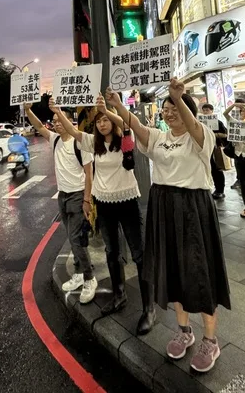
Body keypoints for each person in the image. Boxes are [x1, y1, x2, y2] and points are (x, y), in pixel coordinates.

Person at [107, 80, 230, 373]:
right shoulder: (159, 138)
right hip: (163, 206)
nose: (169, 112)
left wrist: (178, 96)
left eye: (175, 108)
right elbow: (134, 123)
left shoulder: (202, 137)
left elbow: (193, 124)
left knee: (200, 274)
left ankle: (211, 341)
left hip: (193, 209)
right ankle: (184, 331)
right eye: (165, 109)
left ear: (188, 110)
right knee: (172, 271)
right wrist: (116, 103)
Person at [50, 96, 155, 333]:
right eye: (99, 121)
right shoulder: (92, 144)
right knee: (111, 251)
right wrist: (57, 110)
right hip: (104, 203)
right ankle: (119, 295)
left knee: (139, 253)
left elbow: (129, 129)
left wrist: (108, 108)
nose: (102, 124)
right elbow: (72, 131)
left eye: (106, 120)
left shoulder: (125, 141)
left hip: (127, 201)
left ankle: (149, 308)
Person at [24, 104, 97, 303]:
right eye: (54, 121)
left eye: (59, 120)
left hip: (78, 195)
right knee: (72, 237)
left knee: (76, 238)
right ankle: (79, 274)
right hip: (63, 195)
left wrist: (87, 199)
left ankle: (90, 278)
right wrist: (28, 110)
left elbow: (89, 174)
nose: (56, 124)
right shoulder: (55, 140)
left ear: (69, 121)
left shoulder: (79, 142)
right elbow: (39, 126)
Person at [200, 103, 228, 200]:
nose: (205, 112)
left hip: (215, 149)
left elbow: (225, 134)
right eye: (204, 110)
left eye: (207, 110)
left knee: (217, 169)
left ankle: (220, 190)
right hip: (204, 149)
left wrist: (213, 134)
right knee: (207, 169)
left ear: (212, 111)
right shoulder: (200, 123)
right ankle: (208, 188)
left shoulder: (218, 122)